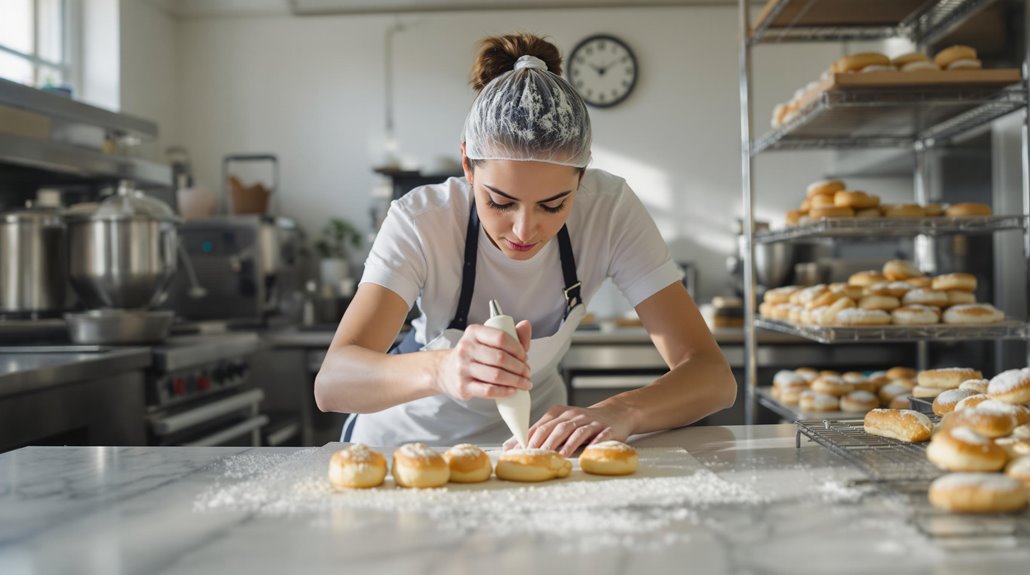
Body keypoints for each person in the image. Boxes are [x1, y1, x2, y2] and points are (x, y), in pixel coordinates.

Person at [315, 33, 736, 456]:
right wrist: (442, 369)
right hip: (403, 451)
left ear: (582, 177)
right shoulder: (423, 220)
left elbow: (712, 375)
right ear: (468, 166)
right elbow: (333, 382)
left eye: (554, 205)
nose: (523, 230)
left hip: (529, 448)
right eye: (500, 202)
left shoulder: (610, 210)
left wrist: (621, 411)